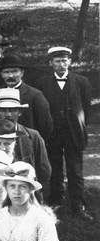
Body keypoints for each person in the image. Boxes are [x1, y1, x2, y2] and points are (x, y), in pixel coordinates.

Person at [36, 45, 92, 220]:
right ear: (51, 63)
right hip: (52, 133)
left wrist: (79, 125)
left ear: (70, 62)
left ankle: (78, 205)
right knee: (55, 169)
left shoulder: (81, 81)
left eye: (64, 61)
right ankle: (56, 201)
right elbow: (41, 109)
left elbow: (86, 109)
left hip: (74, 133)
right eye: (57, 61)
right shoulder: (43, 83)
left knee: (75, 170)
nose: (61, 64)